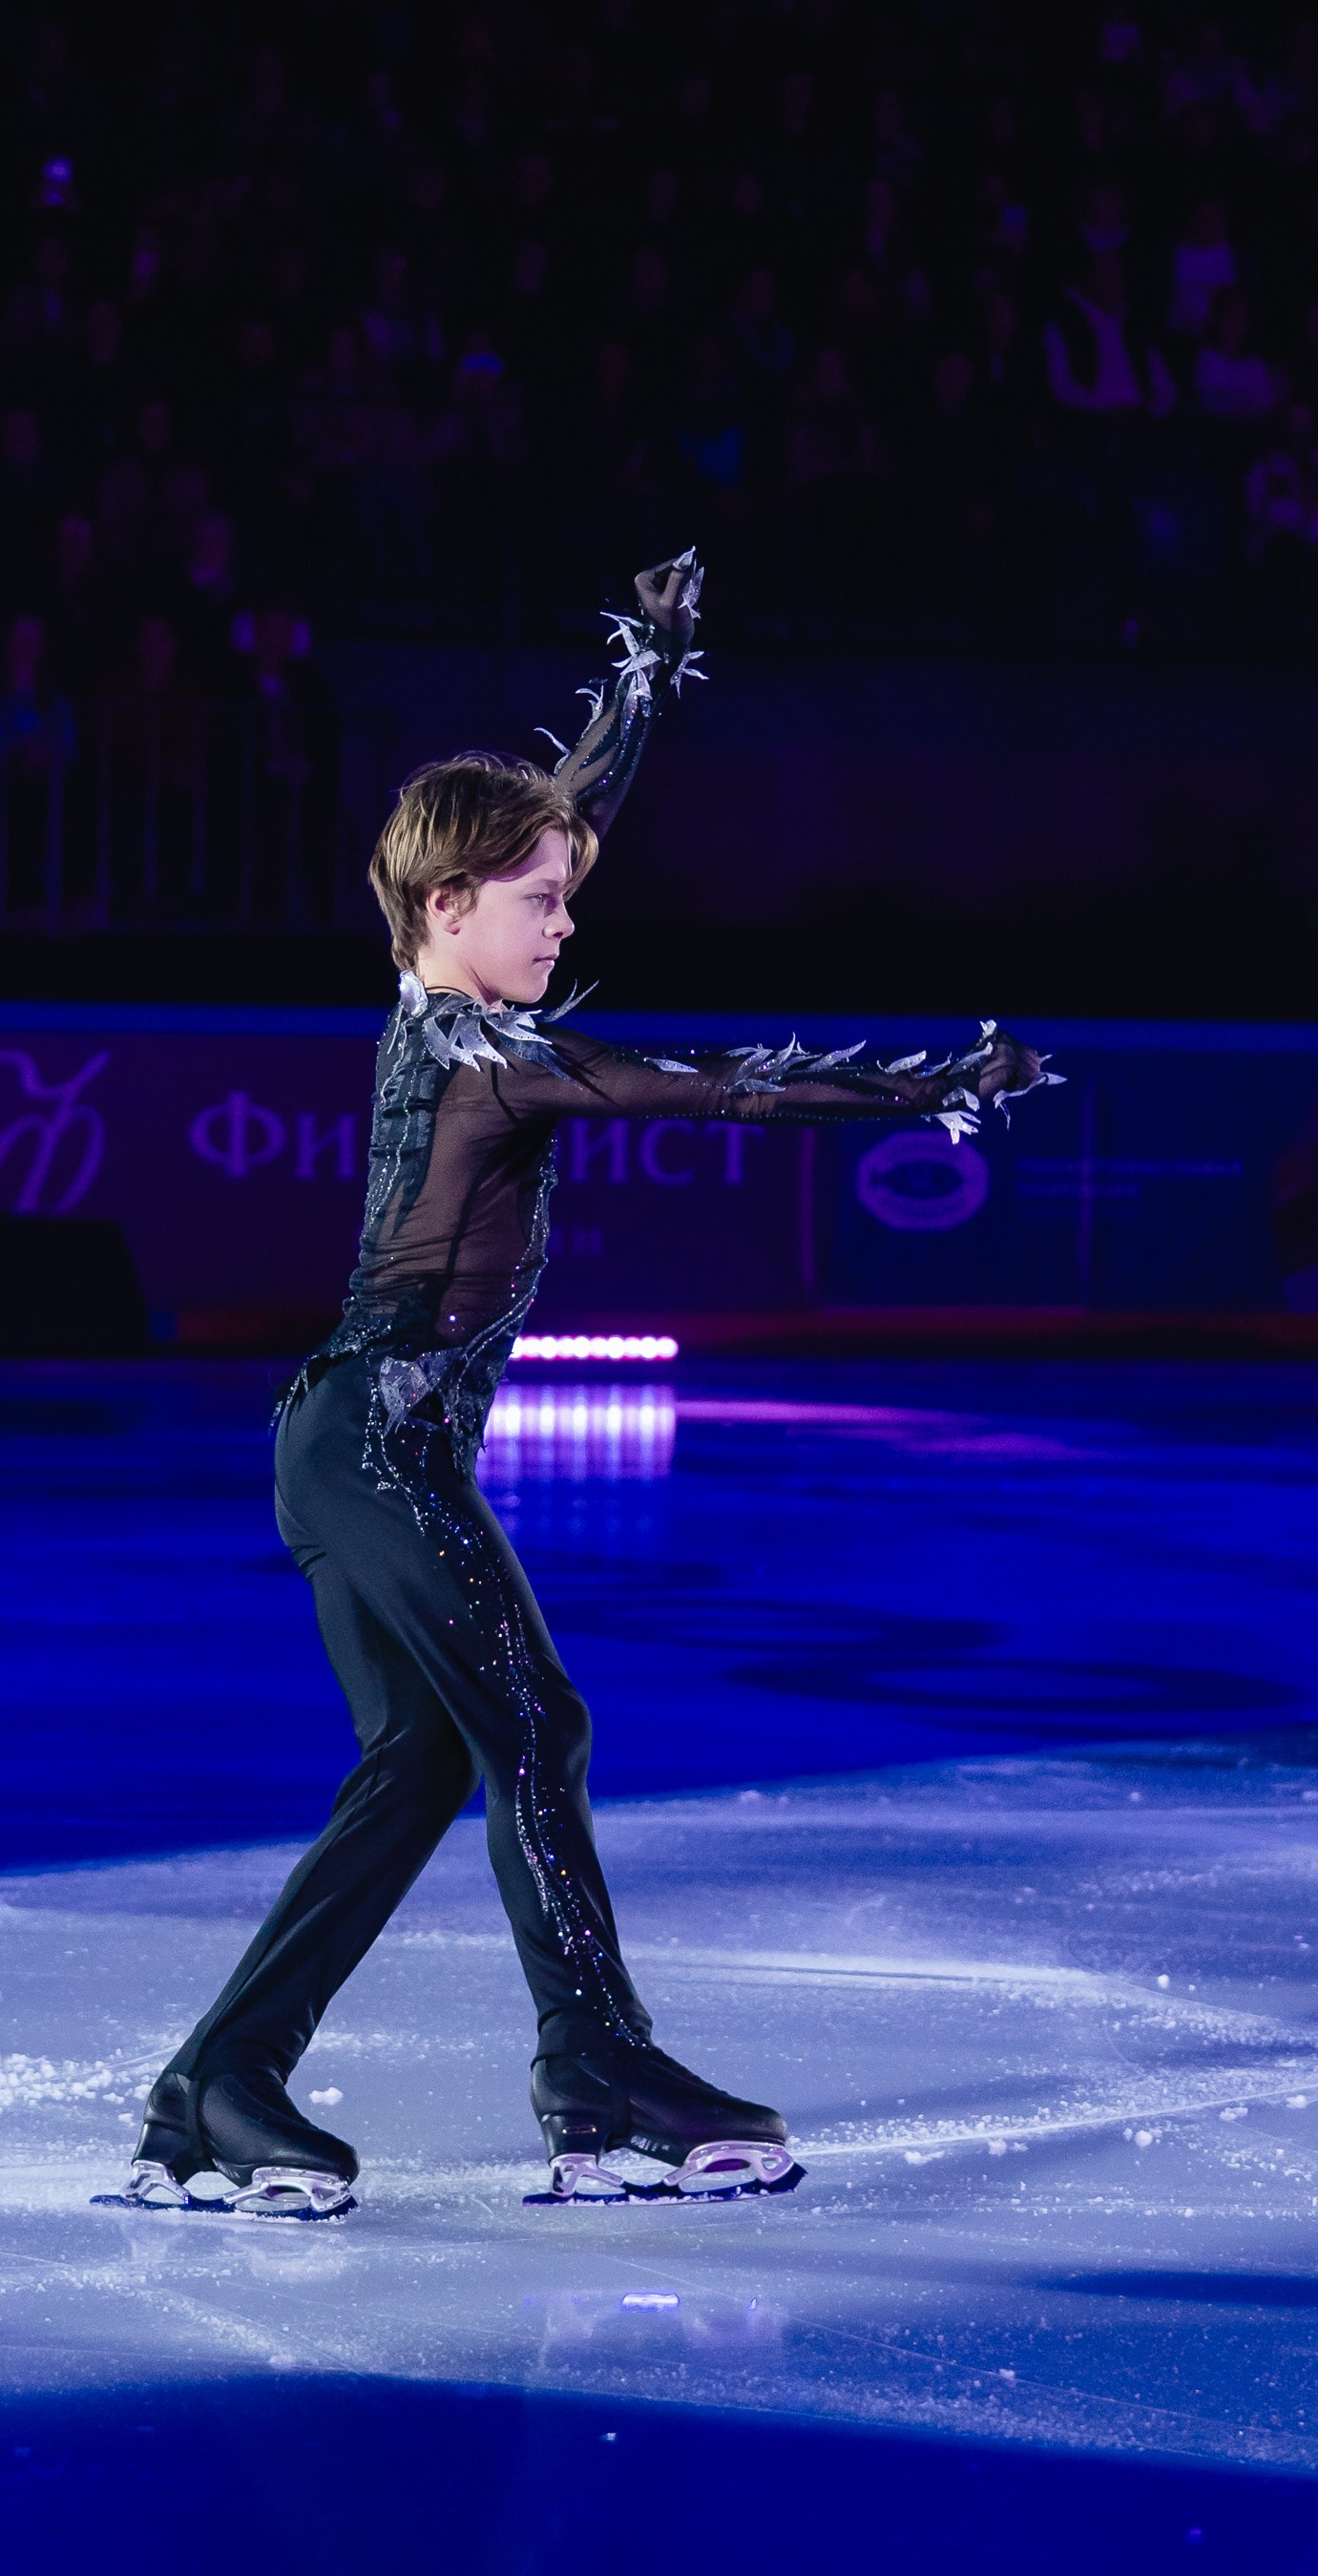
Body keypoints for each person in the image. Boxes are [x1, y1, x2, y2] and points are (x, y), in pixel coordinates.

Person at [120, 551, 1053, 2222]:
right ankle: (599, 2073)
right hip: (376, 1452)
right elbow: (709, 1092)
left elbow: (562, 803)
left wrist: (644, 672)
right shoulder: (488, 1057)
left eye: (568, 893)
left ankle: (214, 2089)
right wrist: (924, 1099)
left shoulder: (454, 1017)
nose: (566, 920)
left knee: (420, 1766)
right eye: (539, 900)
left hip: (353, 1448)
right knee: (536, 1723)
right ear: (443, 910)